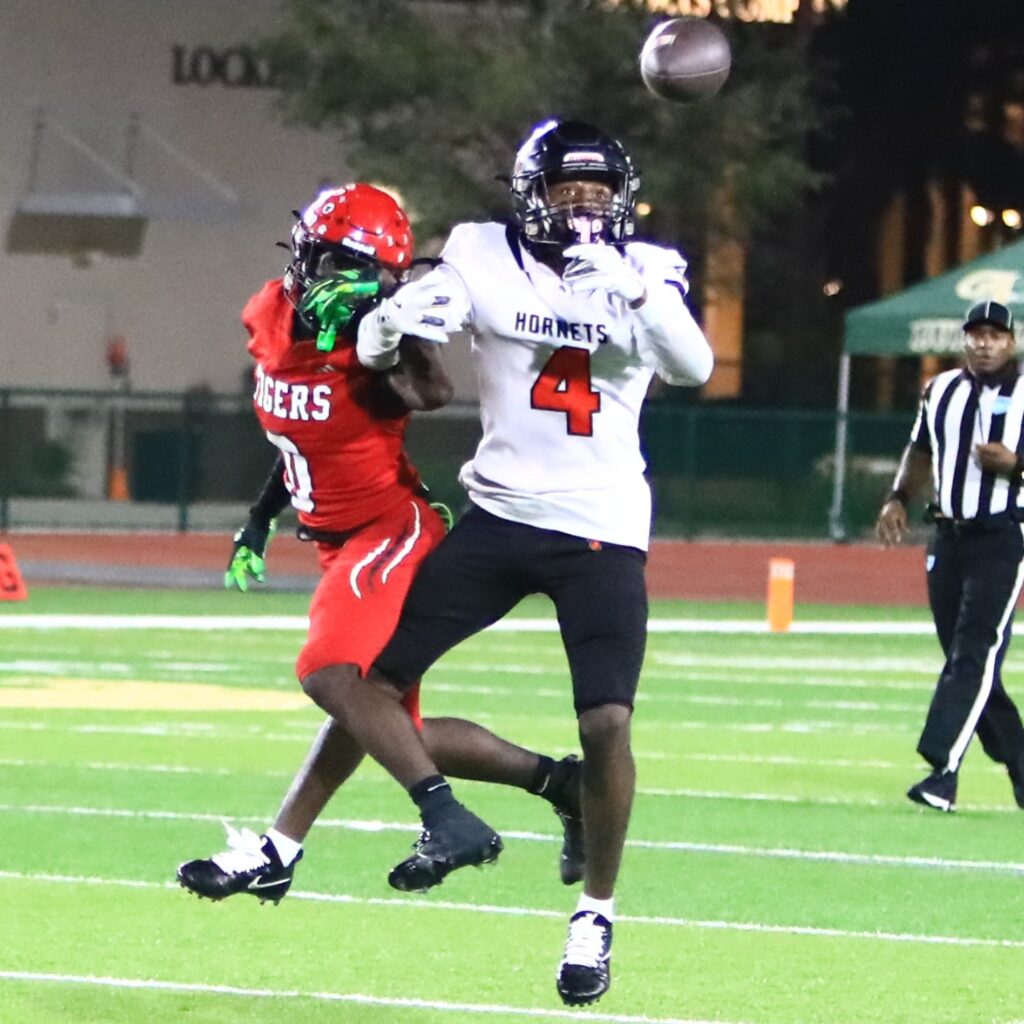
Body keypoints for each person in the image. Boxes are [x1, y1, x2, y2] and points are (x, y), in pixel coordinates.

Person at [295, 120, 711, 1006]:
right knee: (373, 681)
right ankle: (283, 844)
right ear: (533, 194)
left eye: (601, 193)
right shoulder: (483, 251)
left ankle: (595, 914)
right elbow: (409, 328)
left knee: (607, 723)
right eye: (569, 191)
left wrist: (637, 292)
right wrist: (384, 329)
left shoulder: (653, 263)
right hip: (497, 515)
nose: (587, 208)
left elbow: (695, 364)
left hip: (601, 525)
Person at [177, 183, 584, 904]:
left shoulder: (376, 340)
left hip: (390, 529)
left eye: (350, 267)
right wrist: (261, 516)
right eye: (325, 257)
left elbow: (432, 392)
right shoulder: (270, 311)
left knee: (330, 674)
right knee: (392, 726)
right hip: (336, 538)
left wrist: (395, 328)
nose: (330, 276)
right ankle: (561, 784)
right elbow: (301, 437)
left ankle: (442, 817)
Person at [877, 299, 1024, 813]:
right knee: (965, 661)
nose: (984, 343)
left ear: (1012, 340)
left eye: (995, 335)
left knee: (973, 654)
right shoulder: (940, 390)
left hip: (1004, 536)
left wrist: (1016, 465)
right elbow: (922, 450)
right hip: (949, 536)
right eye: (976, 334)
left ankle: (943, 771)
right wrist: (898, 497)